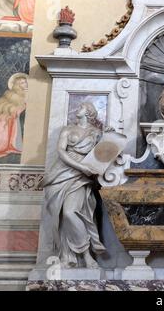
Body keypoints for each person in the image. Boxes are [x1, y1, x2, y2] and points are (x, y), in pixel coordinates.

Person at [42, 102, 106, 268]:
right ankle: (68, 255)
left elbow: (102, 154)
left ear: (89, 112)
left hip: (80, 178)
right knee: (62, 215)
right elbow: (61, 151)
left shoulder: (97, 132)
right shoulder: (68, 129)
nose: (78, 109)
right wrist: (81, 167)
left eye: (82, 107)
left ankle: (86, 254)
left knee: (71, 212)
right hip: (62, 172)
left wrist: (110, 137)